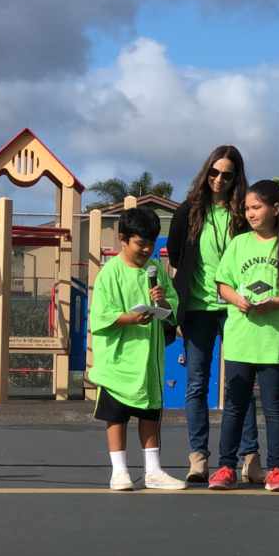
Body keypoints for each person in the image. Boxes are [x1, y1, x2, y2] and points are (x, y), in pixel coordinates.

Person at [208, 178, 279, 491]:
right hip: (241, 340)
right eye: (247, 208)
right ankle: (226, 467)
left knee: (274, 407)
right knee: (234, 406)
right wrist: (237, 299)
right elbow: (223, 284)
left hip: (275, 343)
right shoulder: (238, 243)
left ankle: (276, 470)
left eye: (256, 207)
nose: (250, 213)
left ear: (276, 209)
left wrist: (275, 304)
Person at [166, 145, 261, 484]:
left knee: (241, 384)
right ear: (206, 171)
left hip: (235, 309)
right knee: (196, 384)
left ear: (237, 178)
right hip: (197, 310)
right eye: (214, 172)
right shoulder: (188, 211)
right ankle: (199, 458)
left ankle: (250, 458)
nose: (219, 179)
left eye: (227, 175)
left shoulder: (243, 214)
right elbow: (175, 257)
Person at [88, 208, 186, 491]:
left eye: (151, 244)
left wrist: (162, 302)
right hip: (117, 360)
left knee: (150, 412)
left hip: (149, 360)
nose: (146, 249)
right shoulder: (110, 273)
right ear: (122, 239)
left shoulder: (157, 272)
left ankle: (153, 471)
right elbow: (102, 315)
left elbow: (172, 309)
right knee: (116, 416)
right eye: (140, 243)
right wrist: (132, 318)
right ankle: (119, 472)